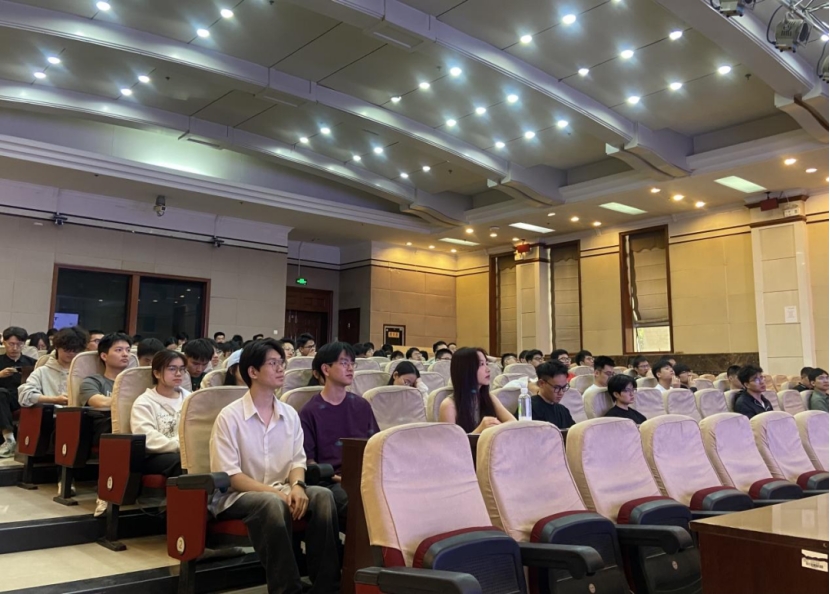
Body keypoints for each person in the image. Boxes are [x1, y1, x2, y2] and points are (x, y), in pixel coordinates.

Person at [211, 339, 340, 594]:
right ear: (253, 371)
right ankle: (287, 589)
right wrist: (277, 493)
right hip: (238, 497)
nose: (281, 368)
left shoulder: (289, 414)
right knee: (272, 503)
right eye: (273, 363)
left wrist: (298, 486)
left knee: (323, 496)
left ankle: (327, 587)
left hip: (282, 489)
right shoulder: (230, 416)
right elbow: (231, 476)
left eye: (282, 362)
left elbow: (297, 460)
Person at [299, 342, 379, 529]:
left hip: (365, 477)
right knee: (363, 505)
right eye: (344, 363)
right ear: (326, 369)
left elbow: (376, 446)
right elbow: (310, 463)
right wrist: (342, 479)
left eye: (352, 363)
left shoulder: (361, 405)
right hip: (331, 482)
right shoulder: (310, 411)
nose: (350, 368)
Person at [130, 350, 189, 480]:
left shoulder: (190, 399)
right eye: (172, 369)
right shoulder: (144, 402)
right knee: (182, 462)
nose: (178, 374)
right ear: (156, 373)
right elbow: (148, 438)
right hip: (156, 455)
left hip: (187, 451)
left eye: (182, 369)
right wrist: (180, 446)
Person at [439, 347, 515, 433]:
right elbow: (451, 440)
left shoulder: (489, 398)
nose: (488, 369)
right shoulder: (449, 405)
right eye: (481, 364)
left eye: (487, 363)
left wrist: (496, 426)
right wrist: (479, 430)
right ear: (465, 369)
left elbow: (513, 422)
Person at [19, 326, 88, 408]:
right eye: (67, 349)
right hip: (52, 413)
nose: (71, 353)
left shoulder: (85, 372)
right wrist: (54, 399)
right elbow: (25, 395)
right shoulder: (42, 371)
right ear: (56, 347)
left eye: (75, 350)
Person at [0, 327, 37, 457]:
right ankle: (9, 438)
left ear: (24, 344)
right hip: (3, 398)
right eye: (11, 344)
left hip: (23, 397)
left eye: (19, 344)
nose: (15, 348)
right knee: (1, 393)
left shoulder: (32, 363)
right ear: (4, 342)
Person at [79, 333, 133, 410]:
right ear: (104, 356)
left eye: (128, 350)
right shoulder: (92, 382)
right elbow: (100, 402)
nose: (125, 354)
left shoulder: (136, 382)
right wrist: (133, 402)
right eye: (119, 350)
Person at [531, 361, 575, 430]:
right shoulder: (528, 408)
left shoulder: (563, 410)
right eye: (556, 387)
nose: (561, 392)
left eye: (564, 387)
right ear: (541, 383)